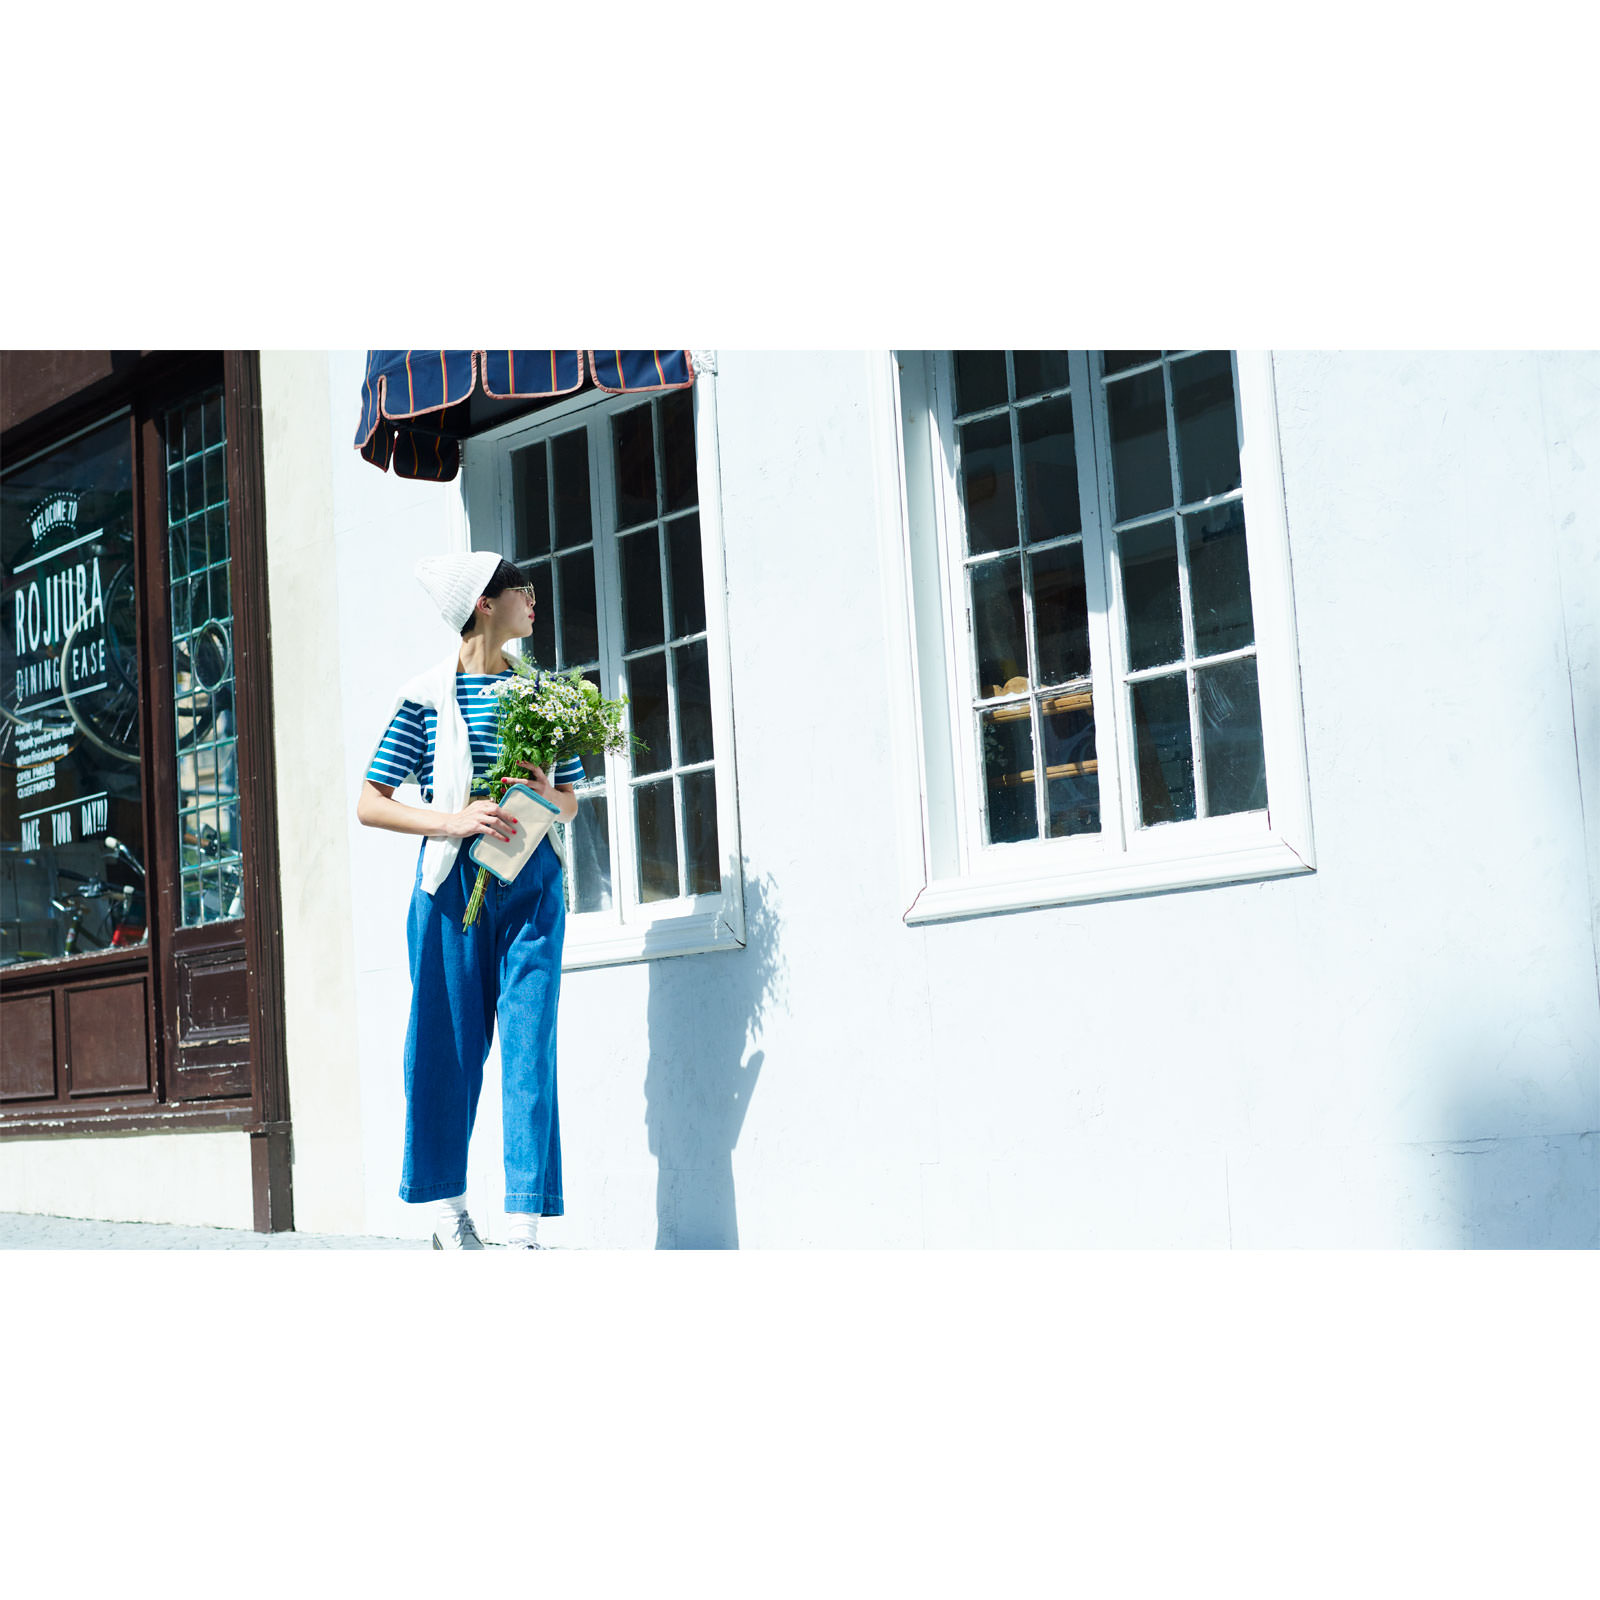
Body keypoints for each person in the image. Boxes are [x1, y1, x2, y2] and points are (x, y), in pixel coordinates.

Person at [357, 552, 585, 1249]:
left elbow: (572, 802)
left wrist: (545, 793)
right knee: (445, 1050)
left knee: (529, 1045)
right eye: (522, 589)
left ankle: (523, 1230)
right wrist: (453, 820)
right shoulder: (426, 697)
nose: (534, 600)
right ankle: (449, 1215)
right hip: (452, 888)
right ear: (485, 603)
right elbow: (371, 802)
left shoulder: (546, 694)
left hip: (533, 884)